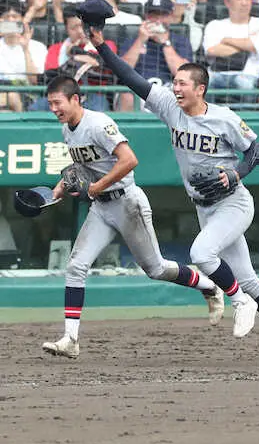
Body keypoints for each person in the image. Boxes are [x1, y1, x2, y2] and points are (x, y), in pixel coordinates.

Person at [95, 8, 259, 365]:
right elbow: (131, 78)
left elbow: (255, 151)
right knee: (250, 279)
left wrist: (238, 173)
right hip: (205, 206)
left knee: (202, 255)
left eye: (182, 83)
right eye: (174, 82)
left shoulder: (224, 118)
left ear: (200, 89)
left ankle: (238, 301)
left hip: (234, 203)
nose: (175, 87)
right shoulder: (169, 106)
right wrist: (102, 46)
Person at [38, 76, 224, 359]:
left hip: (126, 202)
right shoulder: (67, 129)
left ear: (75, 99)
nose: (53, 108)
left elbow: (129, 159)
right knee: (76, 266)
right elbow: (82, 165)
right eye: (50, 103)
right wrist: (63, 186)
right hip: (101, 207)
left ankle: (208, 285)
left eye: (57, 102)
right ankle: (70, 339)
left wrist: (97, 186)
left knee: (157, 269)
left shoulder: (98, 123)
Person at [115, 0, 191, 111]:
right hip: (137, 91)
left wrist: (166, 43)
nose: (157, 20)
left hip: (169, 92)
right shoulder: (132, 39)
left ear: (171, 16)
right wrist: (140, 41)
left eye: (162, 15)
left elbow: (183, 74)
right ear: (146, 16)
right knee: (126, 97)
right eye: (153, 15)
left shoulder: (180, 40)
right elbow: (121, 72)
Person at [202, 0, 259, 93]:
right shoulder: (214, 25)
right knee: (202, 85)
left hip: (249, 75)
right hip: (217, 74)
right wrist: (245, 45)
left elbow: (253, 46)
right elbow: (212, 50)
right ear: (227, 2)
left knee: (243, 84)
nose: (244, 3)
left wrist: (226, 40)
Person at [0, 4, 46, 112]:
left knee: (10, 96)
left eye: (15, 16)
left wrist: (25, 49)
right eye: (7, 17)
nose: (11, 20)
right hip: (3, 98)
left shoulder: (38, 47)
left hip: (29, 97)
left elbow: (35, 81)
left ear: (22, 20)